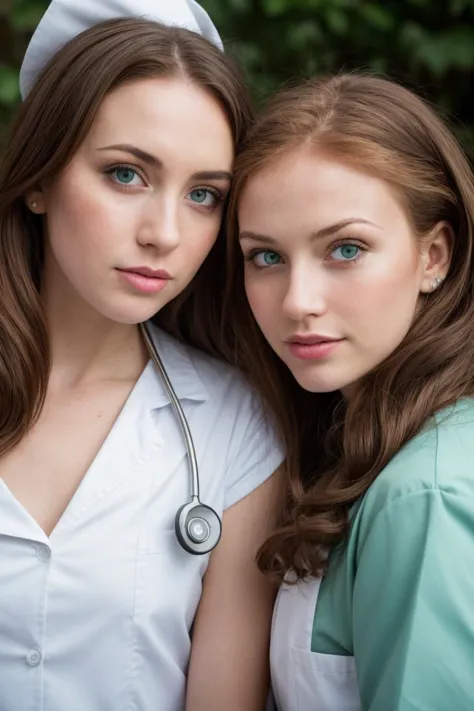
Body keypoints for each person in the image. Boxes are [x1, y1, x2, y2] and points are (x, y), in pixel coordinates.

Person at [0, 2, 285, 710]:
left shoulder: (236, 425)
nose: (164, 232)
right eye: (126, 174)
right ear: (38, 178)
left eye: (203, 195)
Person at [224, 73, 474, 710]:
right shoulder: (358, 442)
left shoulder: (425, 496)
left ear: (434, 255)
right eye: (266, 257)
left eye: (345, 248)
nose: (298, 303)